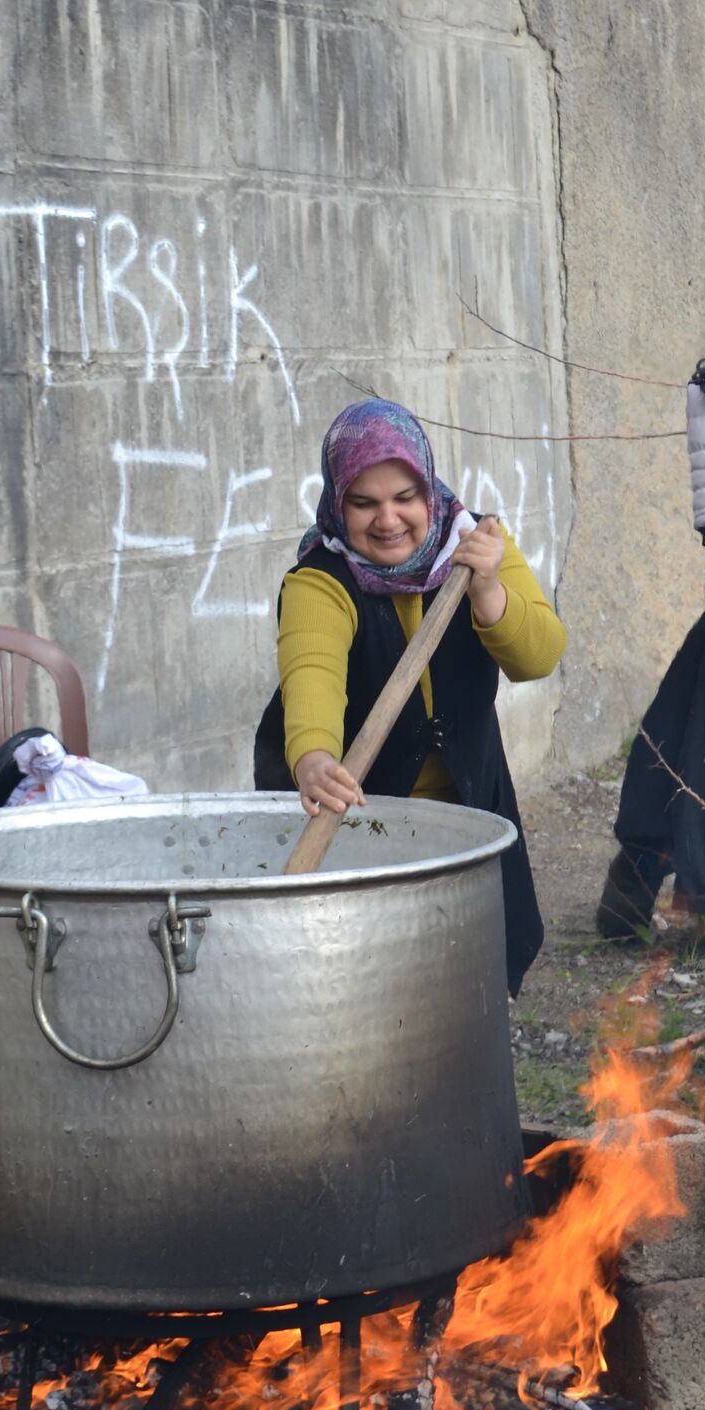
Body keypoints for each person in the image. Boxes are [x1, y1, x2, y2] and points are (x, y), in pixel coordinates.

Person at [254, 398, 566, 995]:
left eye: (405, 498)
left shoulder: (478, 546)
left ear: (429, 491)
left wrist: (489, 591)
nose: (388, 520)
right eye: (363, 503)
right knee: (360, 982)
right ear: (337, 501)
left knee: (472, 976)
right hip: (357, 821)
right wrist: (314, 759)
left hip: (469, 804)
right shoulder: (321, 579)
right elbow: (312, 673)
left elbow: (540, 657)